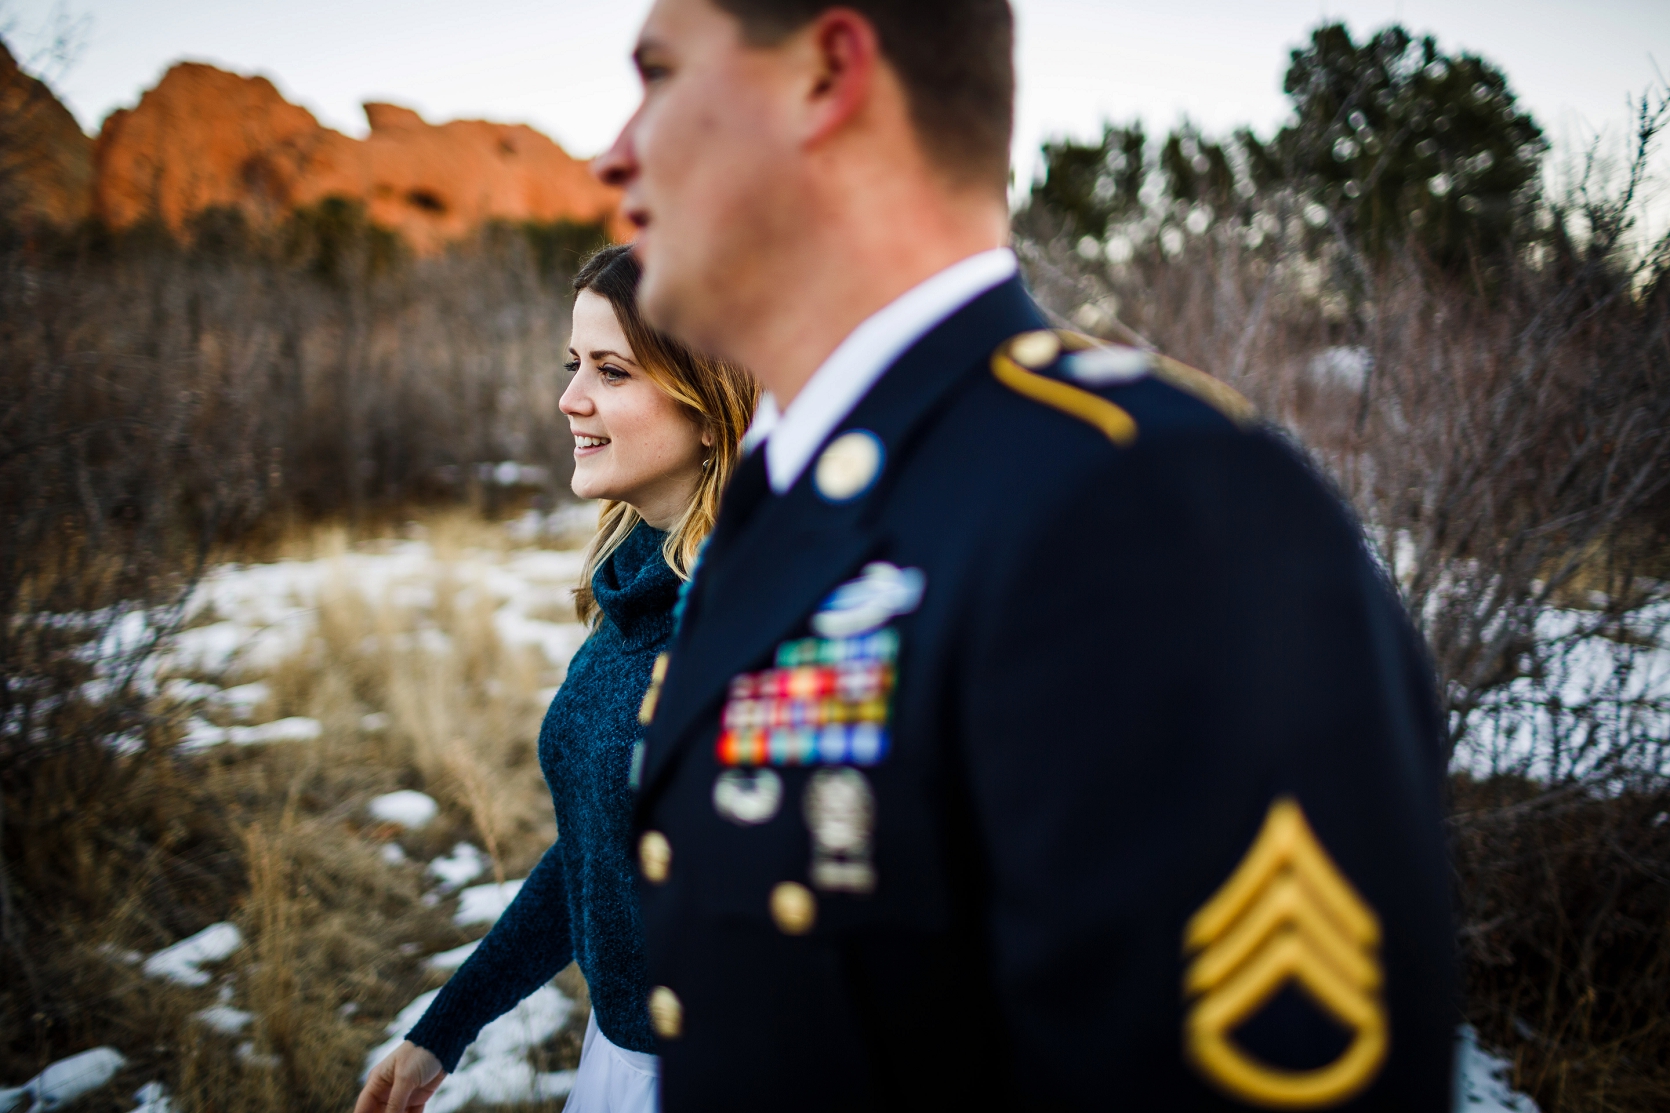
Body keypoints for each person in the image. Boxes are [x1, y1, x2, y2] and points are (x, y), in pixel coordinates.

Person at [595, 1, 1457, 1110]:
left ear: (828, 73)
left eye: (658, 74)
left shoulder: (1142, 499)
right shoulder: (782, 496)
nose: (613, 149)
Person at [352, 243, 757, 1113]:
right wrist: (445, 1026)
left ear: (713, 402)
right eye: (575, 364)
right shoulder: (635, 584)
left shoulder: (752, 631)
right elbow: (597, 852)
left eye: (611, 371)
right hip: (616, 1060)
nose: (569, 399)